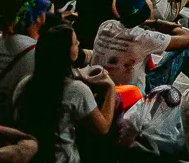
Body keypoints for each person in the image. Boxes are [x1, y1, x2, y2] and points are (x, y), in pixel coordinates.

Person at [15, 22, 116, 163]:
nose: (78, 45)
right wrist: (111, 88)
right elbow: (102, 128)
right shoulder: (76, 90)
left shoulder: (24, 84)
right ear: (65, 52)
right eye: (75, 43)